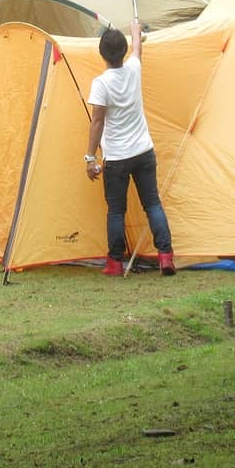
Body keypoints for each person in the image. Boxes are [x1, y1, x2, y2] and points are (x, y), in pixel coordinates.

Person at [84, 15, 176, 277]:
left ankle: (115, 263)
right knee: (153, 204)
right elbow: (137, 48)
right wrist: (135, 29)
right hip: (144, 152)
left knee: (116, 210)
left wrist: (90, 157)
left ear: (101, 53)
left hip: (117, 158)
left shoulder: (101, 84)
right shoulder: (134, 68)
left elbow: (97, 122)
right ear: (123, 52)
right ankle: (166, 256)